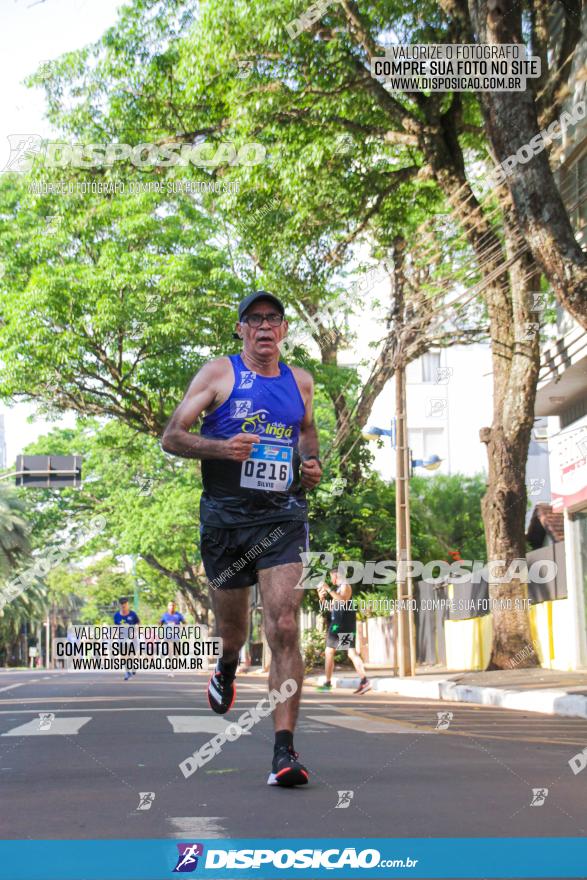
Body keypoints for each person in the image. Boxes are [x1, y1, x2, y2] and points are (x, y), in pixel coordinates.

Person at [162, 291, 322, 787]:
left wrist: (312, 465)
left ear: (285, 329)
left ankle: (284, 752)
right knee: (234, 631)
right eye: (254, 320)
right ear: (241, 330)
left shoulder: (301, 382)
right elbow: (172, 436)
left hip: (282, 517)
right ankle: (228, 664)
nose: (264, 327)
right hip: (226, 522)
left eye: (272, 318)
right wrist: (221, 448)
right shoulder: (218, 374)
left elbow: (307, 434)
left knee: (285, 625)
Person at [317, 569, 371, 695]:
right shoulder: (339, 589)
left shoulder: (346, 586)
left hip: (341, 625)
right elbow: (332, 608)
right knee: (351, 653)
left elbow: (342, 601)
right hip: (341, 624)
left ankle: (328, 683)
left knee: (329, 651)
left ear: (336, 576)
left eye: (332, 577)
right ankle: (364, 680)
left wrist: (328, 589)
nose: (331, 580)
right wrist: (322, 599)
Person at [114, 596, 140, 681]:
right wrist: (116, 634)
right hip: (122, 637)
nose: (123, 606)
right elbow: (116, 627)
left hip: (132, 637)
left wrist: (135, 631)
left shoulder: (133, 614)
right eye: (122, 605)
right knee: (124, 655)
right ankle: (127, 672)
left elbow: (138, 623)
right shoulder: (116, 615)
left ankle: (133, 666)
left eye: (125, 605)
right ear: (119, 605)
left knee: (132, 655)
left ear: (127, 605)